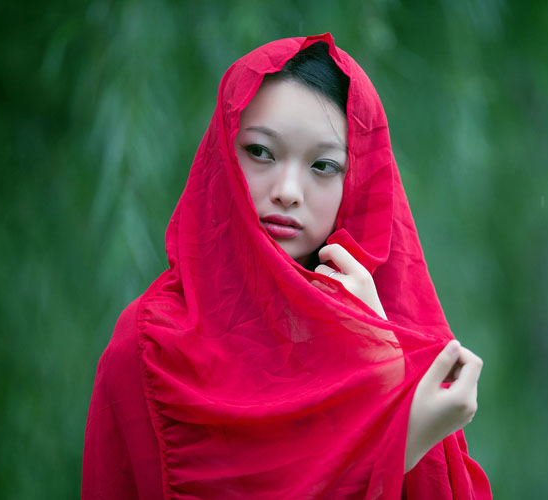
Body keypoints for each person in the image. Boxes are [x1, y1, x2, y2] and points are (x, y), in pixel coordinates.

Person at [82, 33, 491, 499]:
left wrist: (380, 352)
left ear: (356, 184)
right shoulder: (147, 345)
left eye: (323, 166)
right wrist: (403, 441)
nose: (288, 190)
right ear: (222, 155)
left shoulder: (388, 339)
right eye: (260, 152)